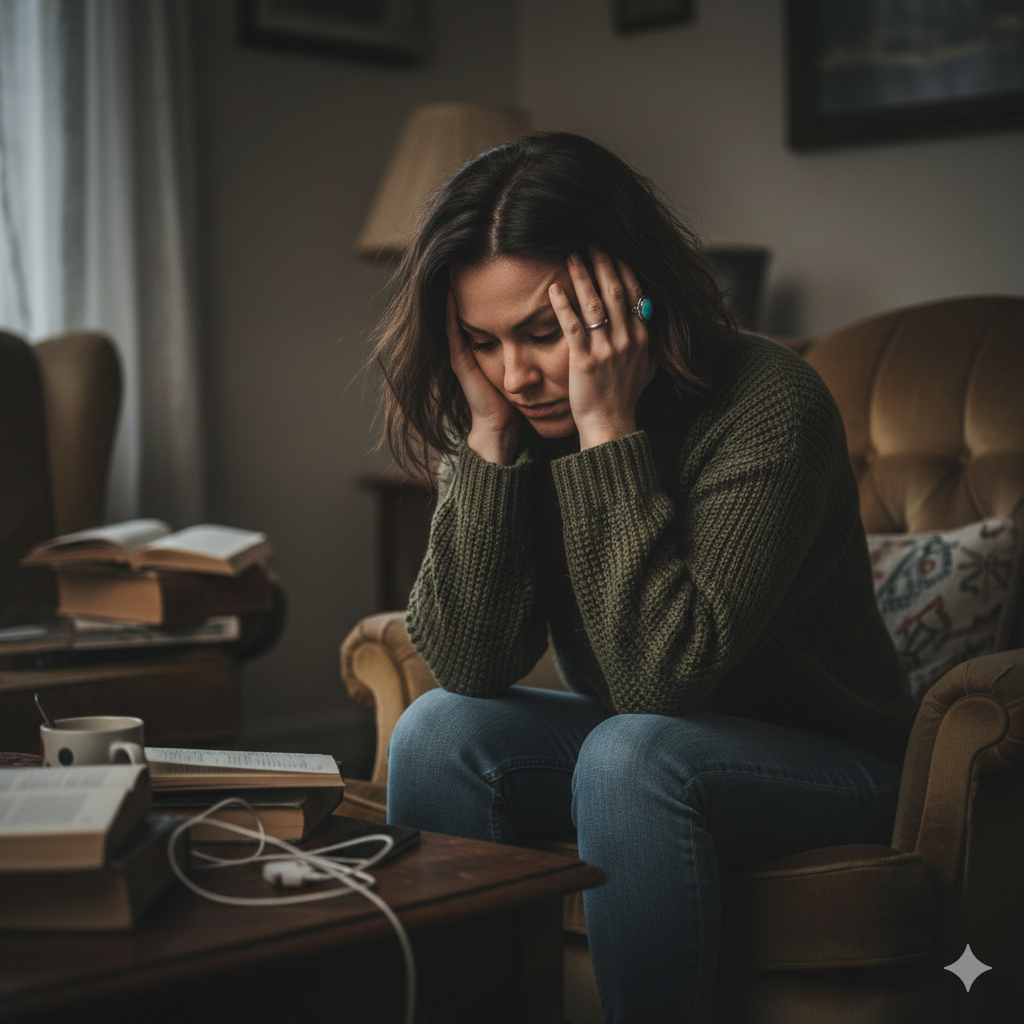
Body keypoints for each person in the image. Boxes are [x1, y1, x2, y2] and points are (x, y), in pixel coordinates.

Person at [369, 132, 917, 1023]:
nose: (517, 375)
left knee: (633, 754)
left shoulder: (771, 401)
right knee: (437, 729)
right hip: (654, 739)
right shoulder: (507, 411)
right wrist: (489, 444)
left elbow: (659, 680)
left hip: (836, 763)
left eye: (543, 333)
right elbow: (473, 661)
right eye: (484, 342)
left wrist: (608, 431)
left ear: (631, 294)